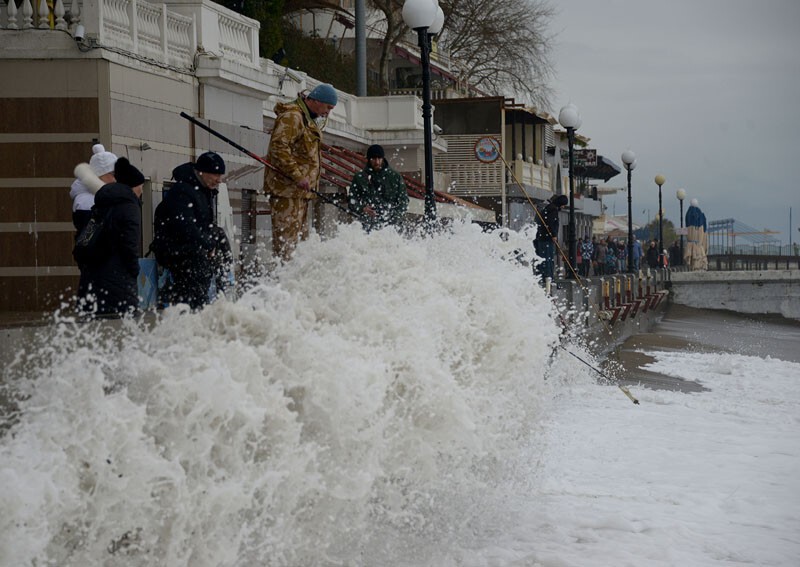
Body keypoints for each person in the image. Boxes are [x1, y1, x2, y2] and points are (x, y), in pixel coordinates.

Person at [263, 83, 338, 261]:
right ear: (317, 101)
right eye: (328, 107)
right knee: (286, 248)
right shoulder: (293, 117)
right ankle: (282, 284)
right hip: (287, 192)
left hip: (299, 194)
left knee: (299, 249)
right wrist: (297, 175)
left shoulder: (306, 119)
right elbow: (278, 148)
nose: (328, 113)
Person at [151, 151, 230, 311]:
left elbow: (204, 225)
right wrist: (208, 245)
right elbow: (185, 226)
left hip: (194, 248)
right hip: (177, 250)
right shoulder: (182, 192)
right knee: (195, 284)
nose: (219, 179)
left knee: (219, 243)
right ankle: (191, 311)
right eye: (216, 174)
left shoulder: (204, 190)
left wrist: (213, 243)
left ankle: (223, 295)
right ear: (202, 172)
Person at [73, 157, 144, 316]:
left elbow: (83, 241)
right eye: (141, 185)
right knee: (123, 331)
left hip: (91, 281)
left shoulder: (100, 205)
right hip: (119, 283)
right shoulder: (129, 207)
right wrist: (133, 270)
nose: (142, 190)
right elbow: (129, 245)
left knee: (93, 333)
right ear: (134, 186)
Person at [348, 144, 409, 231]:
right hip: (367, 225)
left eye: (379, 158)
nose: (377, 162)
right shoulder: (360, 177)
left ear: (383, 158)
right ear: (369, 159)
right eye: (373, 159)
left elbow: (404, 200)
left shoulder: (394, 177)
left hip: (391, 227)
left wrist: (394, 216)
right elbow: (352, 200)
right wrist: (363, 209)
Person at [70, 144, 117, 237]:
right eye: (113, 173)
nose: (116, 178)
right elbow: (89, 237)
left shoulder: (105, 196)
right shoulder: (85, 202)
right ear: (100, 174)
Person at [533, 194, 568, 285]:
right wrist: (554, 235)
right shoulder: (553, 209)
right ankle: (548, 278)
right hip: (547, 238)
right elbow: (551, 223)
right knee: (548, 259)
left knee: (542, 258)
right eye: (563, 204)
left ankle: (542, 277)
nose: (563, 207)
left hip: (541, 237)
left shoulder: (547, 208)